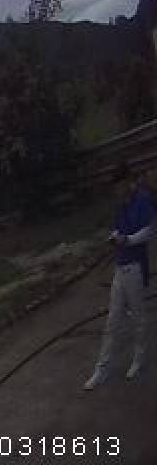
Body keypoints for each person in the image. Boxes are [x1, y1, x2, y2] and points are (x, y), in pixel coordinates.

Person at [84, 165, 154, 390]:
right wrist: (114, 237)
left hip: (135, 267)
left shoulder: (142, 200)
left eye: (118, 185)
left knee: (139, 317)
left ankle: (139, 359)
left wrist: (128, 240)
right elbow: (117, 229)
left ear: (127, 182)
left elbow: (150, 230)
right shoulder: (121, 204)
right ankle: (101, 369)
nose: (116, 190)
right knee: (112, 320)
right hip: (120, 266)